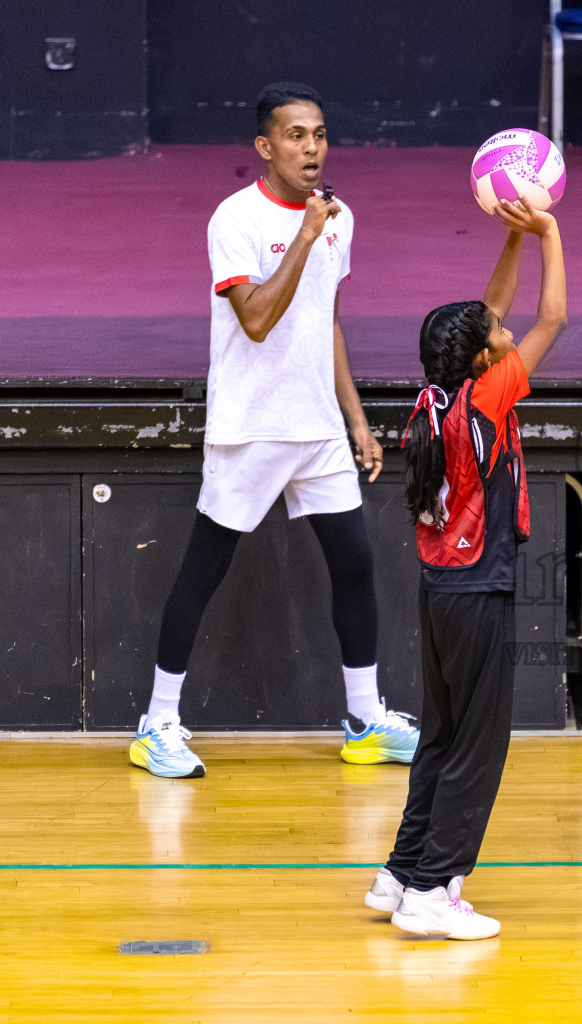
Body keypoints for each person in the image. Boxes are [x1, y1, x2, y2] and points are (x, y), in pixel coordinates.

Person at [129, 82, 417, 779]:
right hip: (251, 429)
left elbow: (327, 321)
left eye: (319, 134)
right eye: (296, 136)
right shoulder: (235, 219)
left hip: (316, 426)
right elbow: (256, 320)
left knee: (354, 562)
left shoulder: (339, 219)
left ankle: (363, 718)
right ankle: (156, 724)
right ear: (266, 147)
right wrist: (306, 236)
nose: (312, 147)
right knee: (204, 570)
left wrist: (356, 420)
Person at [364, 198, 566, 941]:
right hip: (477, 589)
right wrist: (550, 234)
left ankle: (399, 872)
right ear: (486, 360)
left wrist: (512, 235)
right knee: (478, 746)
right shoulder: (486, 398)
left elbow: (496, 307)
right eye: (498, 336)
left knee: (443, 738)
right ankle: (433, 891)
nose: (507, 331)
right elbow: (553, 321)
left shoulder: (435, 396)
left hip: (439, 589)